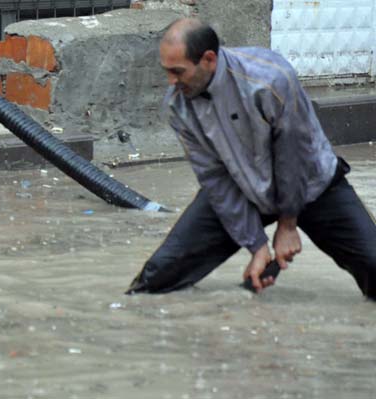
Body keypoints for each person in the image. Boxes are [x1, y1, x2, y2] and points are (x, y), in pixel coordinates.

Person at [127, 18, 376, 298]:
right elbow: (215, 179)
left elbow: (294, 155)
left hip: (311, 186)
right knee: (153, 282)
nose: (171, 82)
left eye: (178, 71)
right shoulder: (178, 105)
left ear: (208, 59)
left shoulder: (269, 79)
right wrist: (257, 246)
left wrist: (288, 224)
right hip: (242, 189)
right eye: (167, 72)